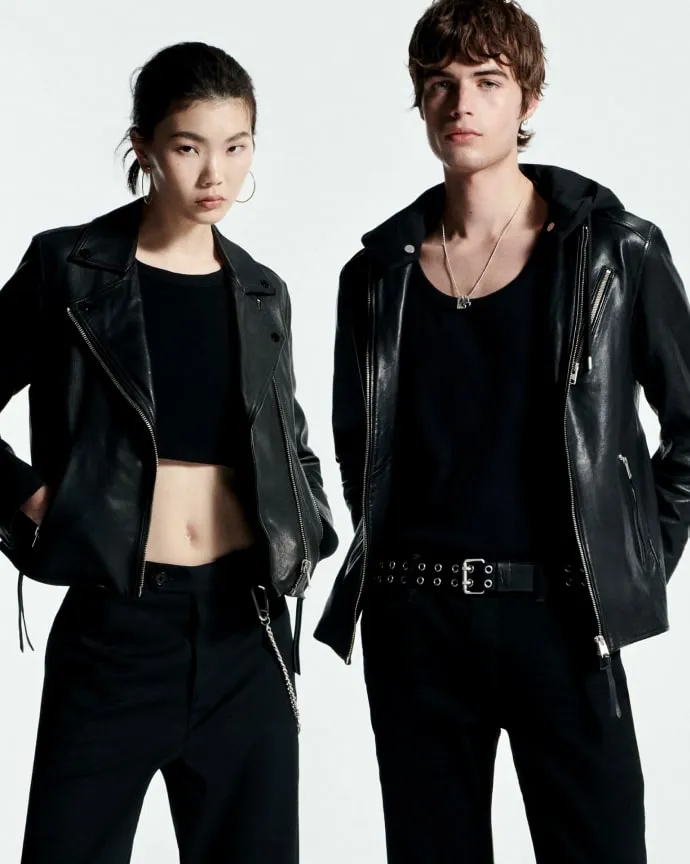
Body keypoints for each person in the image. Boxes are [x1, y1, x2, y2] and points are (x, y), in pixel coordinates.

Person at [315, 1, 690, 862]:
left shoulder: (615, 251)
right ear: (420, 99)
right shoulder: (375, 276)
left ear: (528, 99)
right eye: (441, 84)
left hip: (565, 617)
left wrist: (630, 557)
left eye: (487, 82)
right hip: (417, 626)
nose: (462, 105)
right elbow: (359, 445)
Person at [0, 41, 337, 864]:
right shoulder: (70, 269)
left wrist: (310, 527)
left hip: (247, 632)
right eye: (189, 147)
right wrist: (36, 499)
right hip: (117, 628)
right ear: (144, 148)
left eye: (236, 146)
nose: (215, 173)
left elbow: (289, 442)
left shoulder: (261, 290)